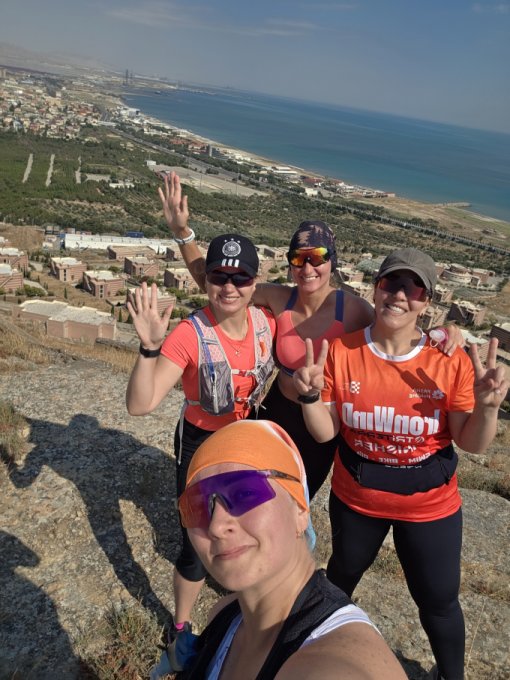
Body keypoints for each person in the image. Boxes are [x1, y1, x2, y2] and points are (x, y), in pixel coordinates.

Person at [158, 171, 461, 498]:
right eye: (298, 259)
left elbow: (396, 327)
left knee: (298, 497)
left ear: (332, 262)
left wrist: (443, 332)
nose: (307, 268)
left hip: (321, 422)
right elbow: (220, 285)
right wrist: (183, 234)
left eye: (317, 258)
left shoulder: (352, 310)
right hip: (275, 413)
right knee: (256, 494)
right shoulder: (279, 298)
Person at [292, 248, 509, 680]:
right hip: (357, 501)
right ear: (376, 288)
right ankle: (312, 660)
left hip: (430, 507)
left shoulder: (448, 360)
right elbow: (326, 432)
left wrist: (487, 408)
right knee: (340, 580)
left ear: (427, 301)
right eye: (391, 283)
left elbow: (471, 443)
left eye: (415, 288)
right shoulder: (343, 351)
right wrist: (310, 397)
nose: (400, 295)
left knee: (439, 602)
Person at [163, 419, 406, 679]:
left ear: (300, 509)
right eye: (197, 506)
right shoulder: (223, 615)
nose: (216, 526)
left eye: (245, 493)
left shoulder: (333, 661)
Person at [126, 233, 276, 640]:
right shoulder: (189, 334)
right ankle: (180, 628)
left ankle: (244, 606)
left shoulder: (267, 323)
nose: (229, 287)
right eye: (219, 276)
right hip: (200, 446)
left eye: (241, 278)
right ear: (205, 280)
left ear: (255, 284)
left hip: (246, 443)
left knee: (248, 526)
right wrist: (149, 349)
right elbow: (141, 404)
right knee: (197, 542)